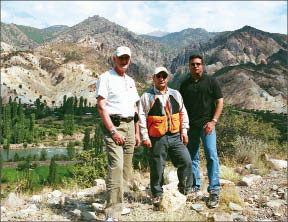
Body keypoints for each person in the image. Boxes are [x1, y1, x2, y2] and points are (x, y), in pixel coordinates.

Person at [138, 66, 193, 209]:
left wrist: (184, 131)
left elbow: (183, 113)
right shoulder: (146, 96)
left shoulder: (175, 94)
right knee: (157, 166)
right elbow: (141, 118)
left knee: (186, 161)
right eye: (158, 76)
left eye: (164, 76)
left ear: (168, 78)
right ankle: (157, 193)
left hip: (175, 136)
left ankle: (185, 191)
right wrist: (145, 136)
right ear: (153, 78)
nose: (161, 79)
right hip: (157, 137)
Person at [96, 46, 140, 221]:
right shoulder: (105, 78)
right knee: (116, 167)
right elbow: (101, 107)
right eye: (121, 58)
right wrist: (113, 131)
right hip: (114, 126)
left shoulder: (130, 80)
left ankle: (119, 206)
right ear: (114, 58)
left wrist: (136, 132)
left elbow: (135, 108)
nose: (124, 61)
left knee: (126, 170)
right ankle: (111, 214)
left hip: (130, 126)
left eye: (127, 58)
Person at [179, 54, 224, 208]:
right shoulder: (185, 85)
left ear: (202, 65)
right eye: (192, 64)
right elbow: (181, 108)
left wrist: (213, 121)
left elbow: (220, 101)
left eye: (198, 64)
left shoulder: (211, 81)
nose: (195, 66)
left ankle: (214, 190)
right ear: (189, 66)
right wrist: (183, 127)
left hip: (207, 126)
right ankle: (195, 187)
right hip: (191, 127)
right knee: (192, 157)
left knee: (211, 155)